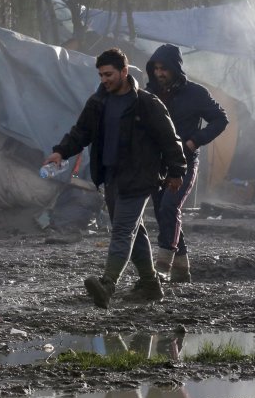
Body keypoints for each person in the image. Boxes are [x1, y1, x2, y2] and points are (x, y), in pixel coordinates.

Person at [45, 48, 186, 309]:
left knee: (122, 229)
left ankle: (108, 284)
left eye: (109, 74)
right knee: (135, 230)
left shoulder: (147, 103)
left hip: (140, 177)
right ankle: (151, 285)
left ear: (124, 71)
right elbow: (81, 132)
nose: (104, 80)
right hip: (111, 177)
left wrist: (176, 171)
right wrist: (60, 152)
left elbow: (170, 139)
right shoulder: (98, 102)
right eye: (101, 75)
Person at [145, 44, 229, 283]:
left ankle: (162, 266)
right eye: (156, 68)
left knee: (170, 207)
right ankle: (182, 268)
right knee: (164, 214)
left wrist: (194, 141)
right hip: (157, 164)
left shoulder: (196, 93)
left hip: (184, 163)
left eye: (164, 68)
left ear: (175, 68)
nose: (160, 73)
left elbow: (220, 119)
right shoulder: (149, 94)